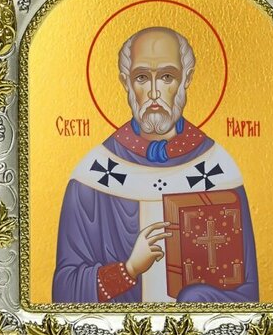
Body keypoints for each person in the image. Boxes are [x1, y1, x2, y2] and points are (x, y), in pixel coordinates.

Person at [52, 27, 259, 303]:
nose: (153, 92)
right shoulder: (94, 175)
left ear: (186, 79)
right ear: (125, 82)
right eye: (141, 78)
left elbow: (246, 294)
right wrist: (128, 270)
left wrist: (194, 301)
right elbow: (65, 292)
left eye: (166, 77)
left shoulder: (216, 170)